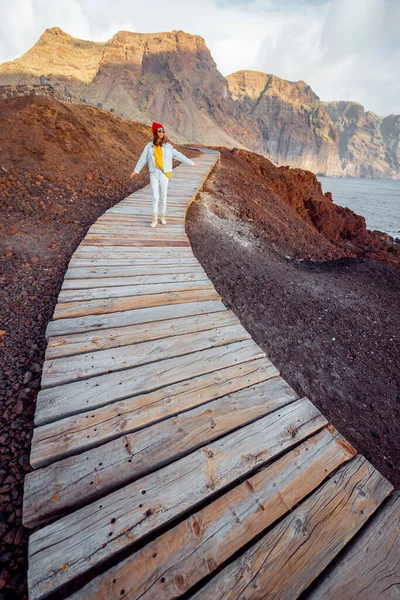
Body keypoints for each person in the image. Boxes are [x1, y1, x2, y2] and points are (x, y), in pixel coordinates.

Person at [130, 122, 199, 227]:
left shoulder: (168, 146)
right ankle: (154, 219)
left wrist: (191, 163)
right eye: (159, 130)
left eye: (163, 131)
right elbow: (142, 159)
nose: (161, 133)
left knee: (163, 197)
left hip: (164, 174)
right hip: (154, 173)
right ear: (155, 132)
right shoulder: (149, 146)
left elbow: (179, 156)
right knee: (155, 197)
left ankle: (162, 216)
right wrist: (136, 171)